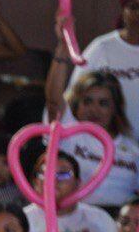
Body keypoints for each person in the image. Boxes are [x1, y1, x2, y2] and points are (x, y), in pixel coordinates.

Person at [47, 0, 139, 142]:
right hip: (97, 142)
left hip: (129, 155)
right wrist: (62, 45)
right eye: (134, 7)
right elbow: (66, 100)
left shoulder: (129, 157)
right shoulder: (102, 48)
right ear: (123, 11)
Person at [23, 150, 119, 232]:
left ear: (78, 183)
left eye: (63, 174)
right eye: (45, 173)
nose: (53, 180)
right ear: (36, 182)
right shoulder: (23, 218)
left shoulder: (100, 217)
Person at [59, 72, 139, 209]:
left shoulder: (133, 150)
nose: (94, 110)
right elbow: (53, 101)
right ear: (76, 105)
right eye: (87, 102)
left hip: (121, 223)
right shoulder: (68, 134)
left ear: (115, 109)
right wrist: (61, 58)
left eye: (103, 103)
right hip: (74, 217)